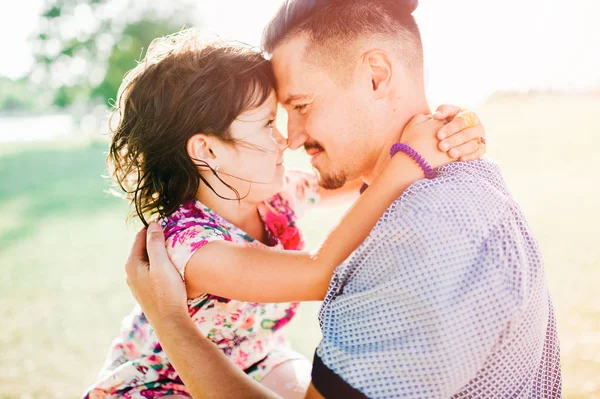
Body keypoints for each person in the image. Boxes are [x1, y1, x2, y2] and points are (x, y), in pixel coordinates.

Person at [126, 0, 563, 397]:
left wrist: (448, 135)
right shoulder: (191, 247)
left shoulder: (426, 232)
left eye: (299, 105)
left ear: (377, 76)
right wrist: (415, 156)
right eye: (271, 122)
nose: (289, 139)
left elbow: (345, 189)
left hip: (256, 362)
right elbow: (324, 264)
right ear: (207, 150)